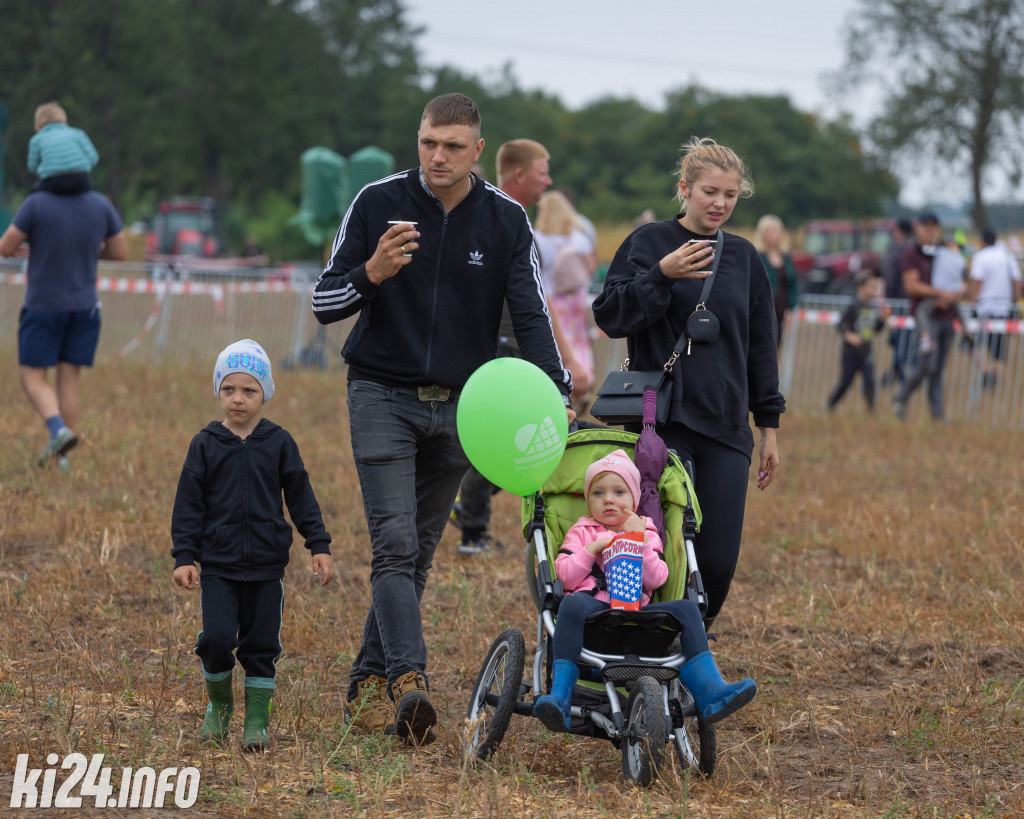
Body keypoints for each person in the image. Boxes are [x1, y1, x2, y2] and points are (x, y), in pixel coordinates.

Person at [311, 94, 574, 745]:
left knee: (418, 553)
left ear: (478, 150)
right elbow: (324, 300)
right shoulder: (376, 201)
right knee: (394, 544)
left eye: (452, 146)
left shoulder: (507, 220)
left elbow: (531, 313)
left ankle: (363, 689)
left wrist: (558, 391)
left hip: (466, 406)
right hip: (380, 393)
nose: (437, 156)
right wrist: (372, 272)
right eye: (429, 142)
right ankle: (410, 680)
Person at [592, 136, 784, 630]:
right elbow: (611, 316)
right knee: (656, 546)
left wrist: (769, 429)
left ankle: (687, 641)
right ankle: (646, 651)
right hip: (660, 423)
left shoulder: (744, 258)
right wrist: (661, 274)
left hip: (725, 425)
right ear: (685, 188)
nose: (720, 203)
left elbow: (761, 345)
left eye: (730, 195)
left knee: (717, 561)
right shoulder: (647, 244)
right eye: (709, 192)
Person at [171, 339, 335, 751]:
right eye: (229, 389)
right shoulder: (204, 444)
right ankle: (220, 706)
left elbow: (301, 497)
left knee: (262, 644)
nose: (238, 399)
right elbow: (188, 506)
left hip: (266, 566)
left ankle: (257, 720)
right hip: (220, 565)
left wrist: (319, 544)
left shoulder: (279, 443)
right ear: (217, 391)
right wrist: (184, 556)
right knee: (216, 637)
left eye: (249, 390)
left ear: (265, 393)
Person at [532, 449, 756, 731]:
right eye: (598, 493)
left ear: (634, 499)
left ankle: (711, 691)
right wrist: (591, 549)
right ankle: (561, 697)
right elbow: (564, 576)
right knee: (571, 603)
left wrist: (637, 539)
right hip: (594, 616)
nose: (609, 499)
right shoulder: (582, 530)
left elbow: (657, 578)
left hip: (639, 616)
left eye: (619, 492)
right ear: (588, 501)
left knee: (688, 608)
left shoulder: (646, 528)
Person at [450, 138, 590, 556]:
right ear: (520, 175)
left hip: (507, 344)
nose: (549, 182)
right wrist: (567, 357)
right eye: (544, 172)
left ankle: (469, 513)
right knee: (511, 433)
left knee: (510, 433)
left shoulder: (503, 218)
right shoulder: (503, 220)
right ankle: (472, 523)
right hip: (504, 345)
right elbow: (539, 301)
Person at [0, 183, 126, 472]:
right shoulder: (100, 203)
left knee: (32, 376)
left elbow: (5, 246)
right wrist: (89, 250)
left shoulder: (36, 203)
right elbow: (119, 251)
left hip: (43, 306)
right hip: (85, 307)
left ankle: (57, 430)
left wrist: (33, 245)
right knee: (69, 381)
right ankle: (62, 460)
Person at [892, 213, 964, 421]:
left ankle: (937, 412)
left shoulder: (943, 253)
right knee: (926, 364)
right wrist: (939, 293)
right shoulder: (911, 253)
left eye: (934, 226)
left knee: (939, 368)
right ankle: (901, 398)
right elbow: (911, 285)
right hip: (926, 318)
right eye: (926, 226)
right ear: (918, 228)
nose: (930, 230)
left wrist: (954, 294)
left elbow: (959, 282)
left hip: (947, 315)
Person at [535, 189, 598, 398]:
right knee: (579, 340)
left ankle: (563, 380)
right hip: (577, 299)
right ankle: (585, 379)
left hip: (552, 298)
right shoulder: (578, 237)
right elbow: (591, 267)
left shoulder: (538, 237)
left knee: (558, 341)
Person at [826, 272, 891, 411]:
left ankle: (870, 410)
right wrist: (849, 336)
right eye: (870, 286)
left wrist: (883, 318)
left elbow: (876, 329)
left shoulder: (874, 308)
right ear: (860, 287)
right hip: (850, 352)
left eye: (875, 286)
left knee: (869, 381)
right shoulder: (853, 305)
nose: (873, 289)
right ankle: (831, 405)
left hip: (866, 351)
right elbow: (841, 324)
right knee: (846, 382)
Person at [967, 229, 1024, 388]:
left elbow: (977, 281)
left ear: (983, 241)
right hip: (1003, 307)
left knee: (969, 342)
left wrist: (972, 303)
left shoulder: (980, 257)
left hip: (983, 306)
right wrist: (1015, 301)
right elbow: (1017, 281)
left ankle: (986, 372)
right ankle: (992, 376)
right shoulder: (1007, 256)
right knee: (998, 349)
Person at [27, 102, 99, 195]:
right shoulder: (78, 133)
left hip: (53, 181)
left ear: (38, 125)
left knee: (33, 194)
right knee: (94, 194)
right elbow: (94, 159)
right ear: (64, 119)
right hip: (80, 179)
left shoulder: (36, 139)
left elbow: (32, 167)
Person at [912, 236, 966, 357]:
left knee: (921, 311)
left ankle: (925, 338)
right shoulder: (959, 259)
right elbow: (963, 283)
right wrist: (954, 295)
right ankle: (967, 333)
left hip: (938, 292)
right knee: (958, 310)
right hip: (952, 294)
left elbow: (922, 250)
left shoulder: (939, 254)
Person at [753, 214, 799, 349]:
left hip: (781, 309)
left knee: (775, 346)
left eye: (776, 231)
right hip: (762, 310)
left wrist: (791, 309)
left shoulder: (786, 257)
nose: (774, 235)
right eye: (770, 231)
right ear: (762, 234)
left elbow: (792, 284)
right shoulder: (757, 256)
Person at [880, 219, 915, 385]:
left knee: (900, 340)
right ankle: (895, 374)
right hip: (913, 302)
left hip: (899, 302)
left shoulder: (895, 252)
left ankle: (901, 376)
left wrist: (890, 302)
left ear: (899, 232)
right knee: (903, 339)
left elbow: (890, 279)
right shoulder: (915, 250)